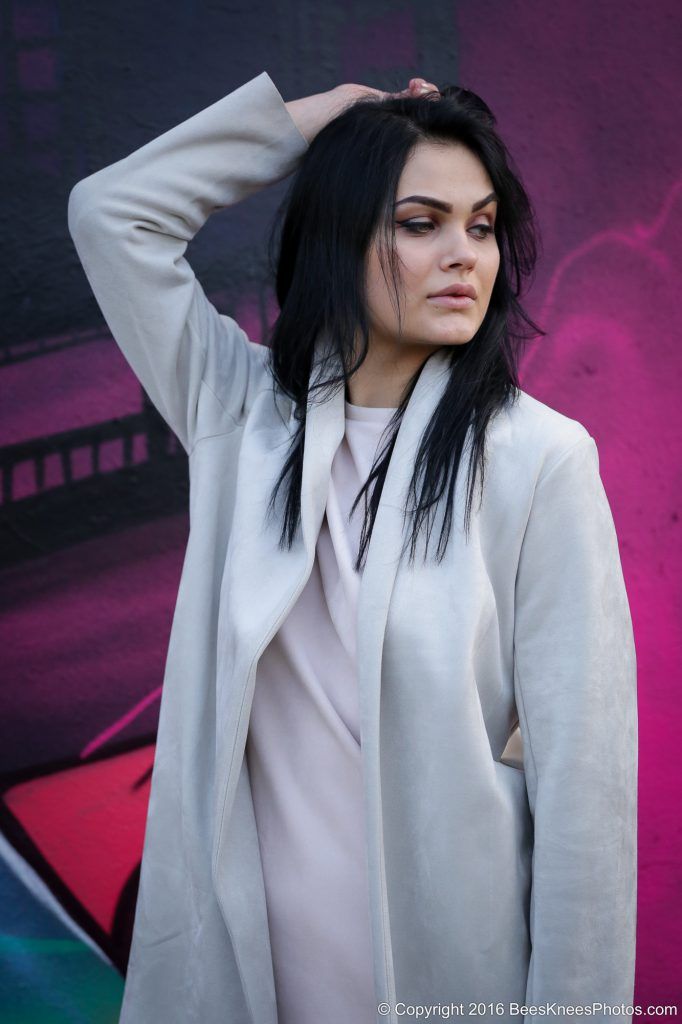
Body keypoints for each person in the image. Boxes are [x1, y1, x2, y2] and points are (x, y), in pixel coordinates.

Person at [67, 70, 638, 1024]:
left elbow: (587, 796)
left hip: (448, 991)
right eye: (422, 222)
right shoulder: (235, 415)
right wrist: (306, 125)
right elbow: (110, 216)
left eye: (484, 225)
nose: (465, 256)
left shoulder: (540, 460)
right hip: (244, 990)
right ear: (343, 235)